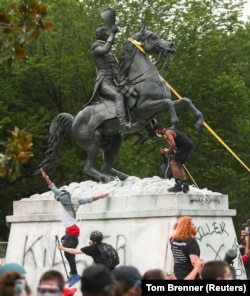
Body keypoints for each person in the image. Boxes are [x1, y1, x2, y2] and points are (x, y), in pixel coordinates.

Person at [40, 167, 110, 287]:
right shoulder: (75, 200)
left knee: (68, 253)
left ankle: (74, 274)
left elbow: (52, 187)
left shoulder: (64, 199)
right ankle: (73, 274)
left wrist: (45, 176)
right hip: (72, 230)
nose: (58, 198)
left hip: (72, 230)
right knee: (69, 254)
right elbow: (89, 199)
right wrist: (102, 196)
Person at [87, 25, 137, 132]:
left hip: (115, 79)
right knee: (118, 96)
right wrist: (113, 34)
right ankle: (123, 124)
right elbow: (105, 49)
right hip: (105, 82)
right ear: (100, 35)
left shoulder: (108, 49)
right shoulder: (96, 48)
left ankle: (148, 124)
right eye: (105, 33)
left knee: (134, 91)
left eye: (107, 33)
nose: (107, 34)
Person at [152, 123, 195, 193]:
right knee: (178, 165)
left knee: (173, 164)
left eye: (156, 132)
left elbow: (173, 144)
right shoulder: (170, 130)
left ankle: (177, 185)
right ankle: (185, 184)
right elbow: (175, 144)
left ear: (158, 130)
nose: (157, 133)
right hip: (188, 146)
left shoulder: (168, 132)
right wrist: (167, 149)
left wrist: (168, 153)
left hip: (184, 147)